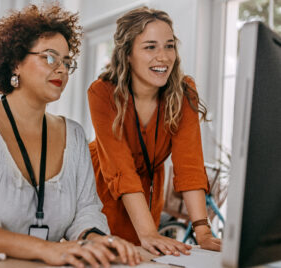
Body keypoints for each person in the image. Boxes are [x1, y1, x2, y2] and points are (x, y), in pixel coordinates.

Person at [0, 4, 141, 267]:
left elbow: (86, 212)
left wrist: (97, 240)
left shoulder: (73, 135)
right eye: (50, 57)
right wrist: (45, 249)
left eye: (66, 62)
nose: (61, 69)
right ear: (16, 62)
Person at [87, 6, 222, 257]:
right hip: (103, 187)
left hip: (148, 191)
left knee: (147, 258)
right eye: (150, 47)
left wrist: (202, 231)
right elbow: (120, 168)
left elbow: (189, 165)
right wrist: (148, 232)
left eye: (169, 46)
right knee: (110, 257)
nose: (163, 57)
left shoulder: (184, 93)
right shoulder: (102, 92)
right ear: (127, 54)